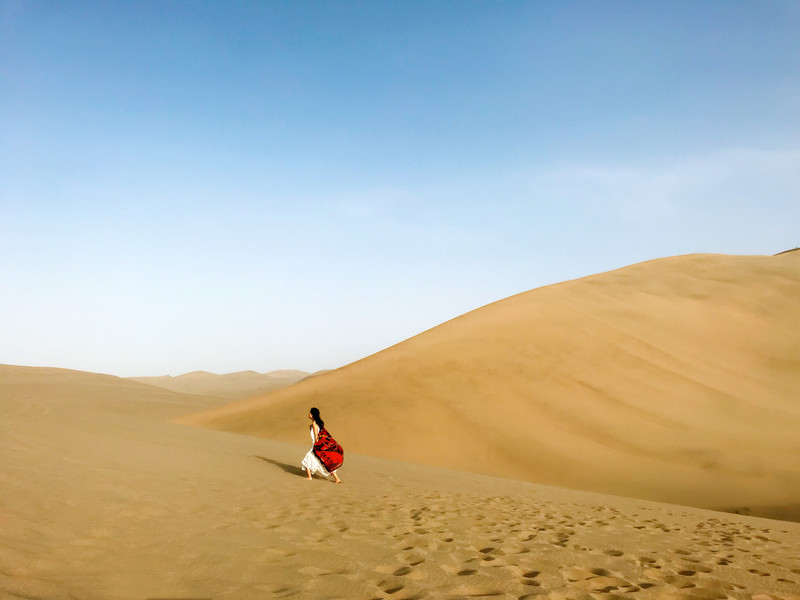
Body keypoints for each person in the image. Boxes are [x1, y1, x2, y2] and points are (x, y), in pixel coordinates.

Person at [301, 407, 343, 483]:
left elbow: (316, 436)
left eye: (310, 413)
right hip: (319, 445)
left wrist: (316, 446)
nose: (309, 414)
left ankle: (309, 477)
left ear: (312, 414)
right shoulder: (317, 423)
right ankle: (337, 479)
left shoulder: (314, 424)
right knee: (324, 462)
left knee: (308, 458)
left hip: (317, 446)